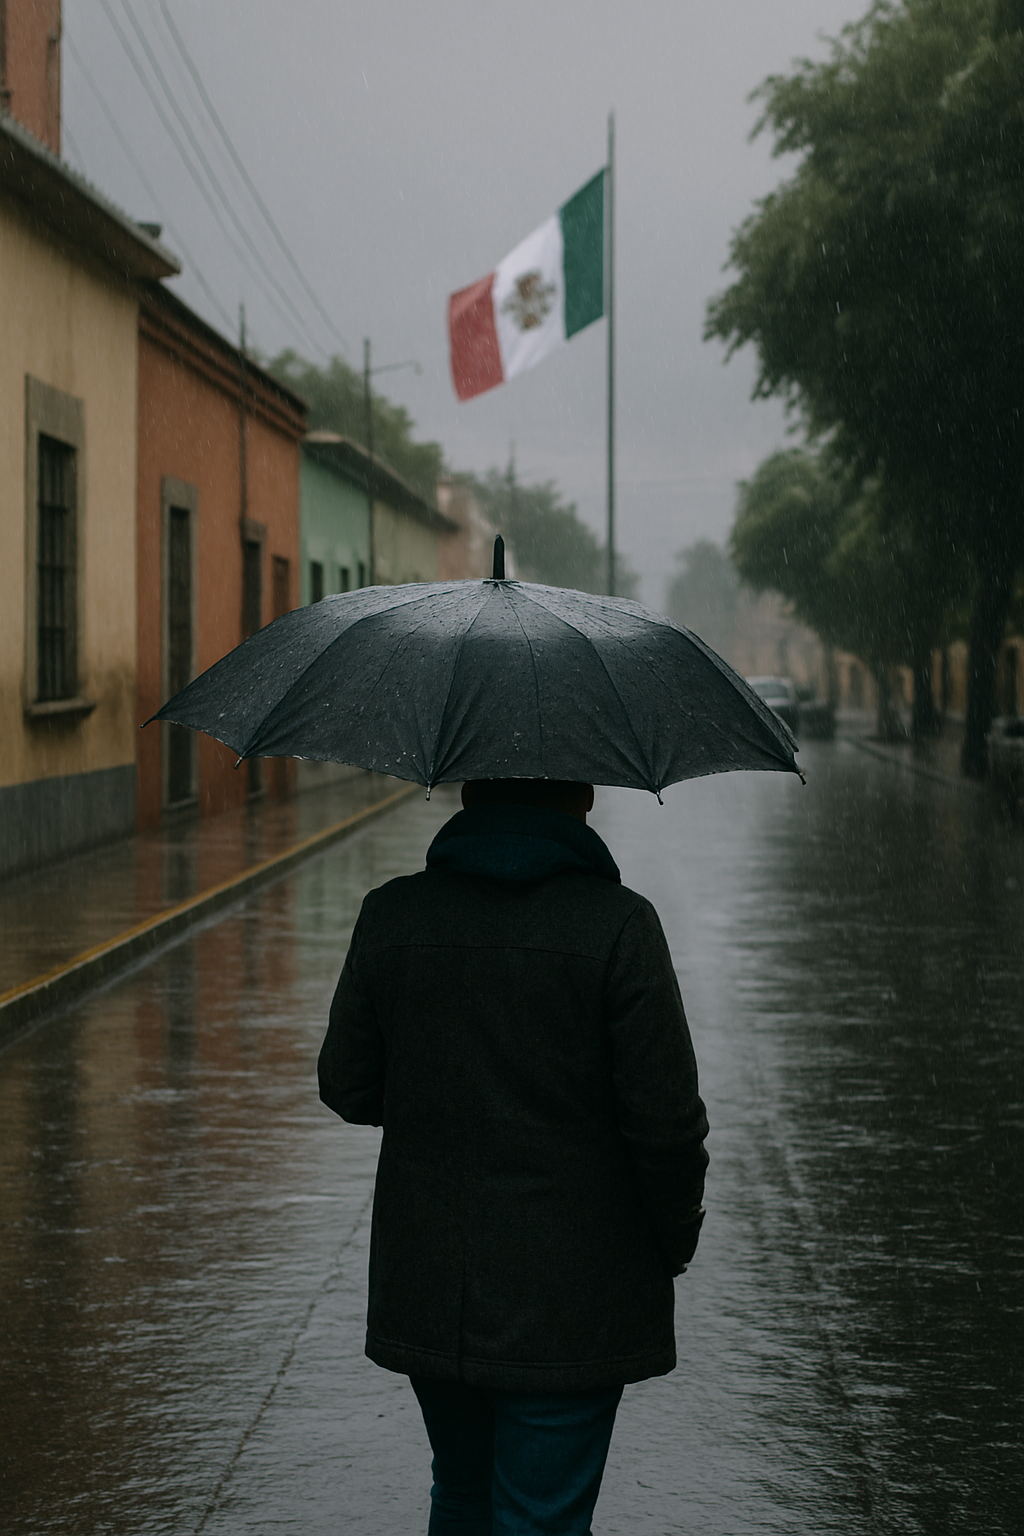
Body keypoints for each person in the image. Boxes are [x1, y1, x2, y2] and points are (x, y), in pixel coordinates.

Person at [318, 778, 709, 1535]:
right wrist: (673, 1236)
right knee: (540, 1515)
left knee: (462, 1492)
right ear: (585, 797)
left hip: (432, 1283)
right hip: (573, 1297)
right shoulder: (618, 927)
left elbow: (348, 1086)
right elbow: (665, 1125)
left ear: (465, 788)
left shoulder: (393, 915)